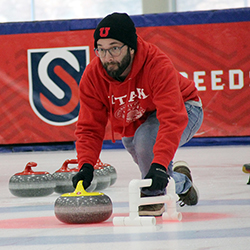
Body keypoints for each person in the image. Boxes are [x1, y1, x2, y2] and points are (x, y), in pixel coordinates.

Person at [72, 12, 203, 216]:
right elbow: (90, 126)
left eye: (114, 48)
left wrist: (159, 163)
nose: (108, 57)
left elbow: (172, 117)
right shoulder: (93, 76)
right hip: (138, 118)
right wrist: (86, 165)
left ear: (131, 48)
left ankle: (154, 198)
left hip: (186, 108)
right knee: (138, 149)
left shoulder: (156, 64)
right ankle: (181, 182)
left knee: (146, 142)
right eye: (101, 50)